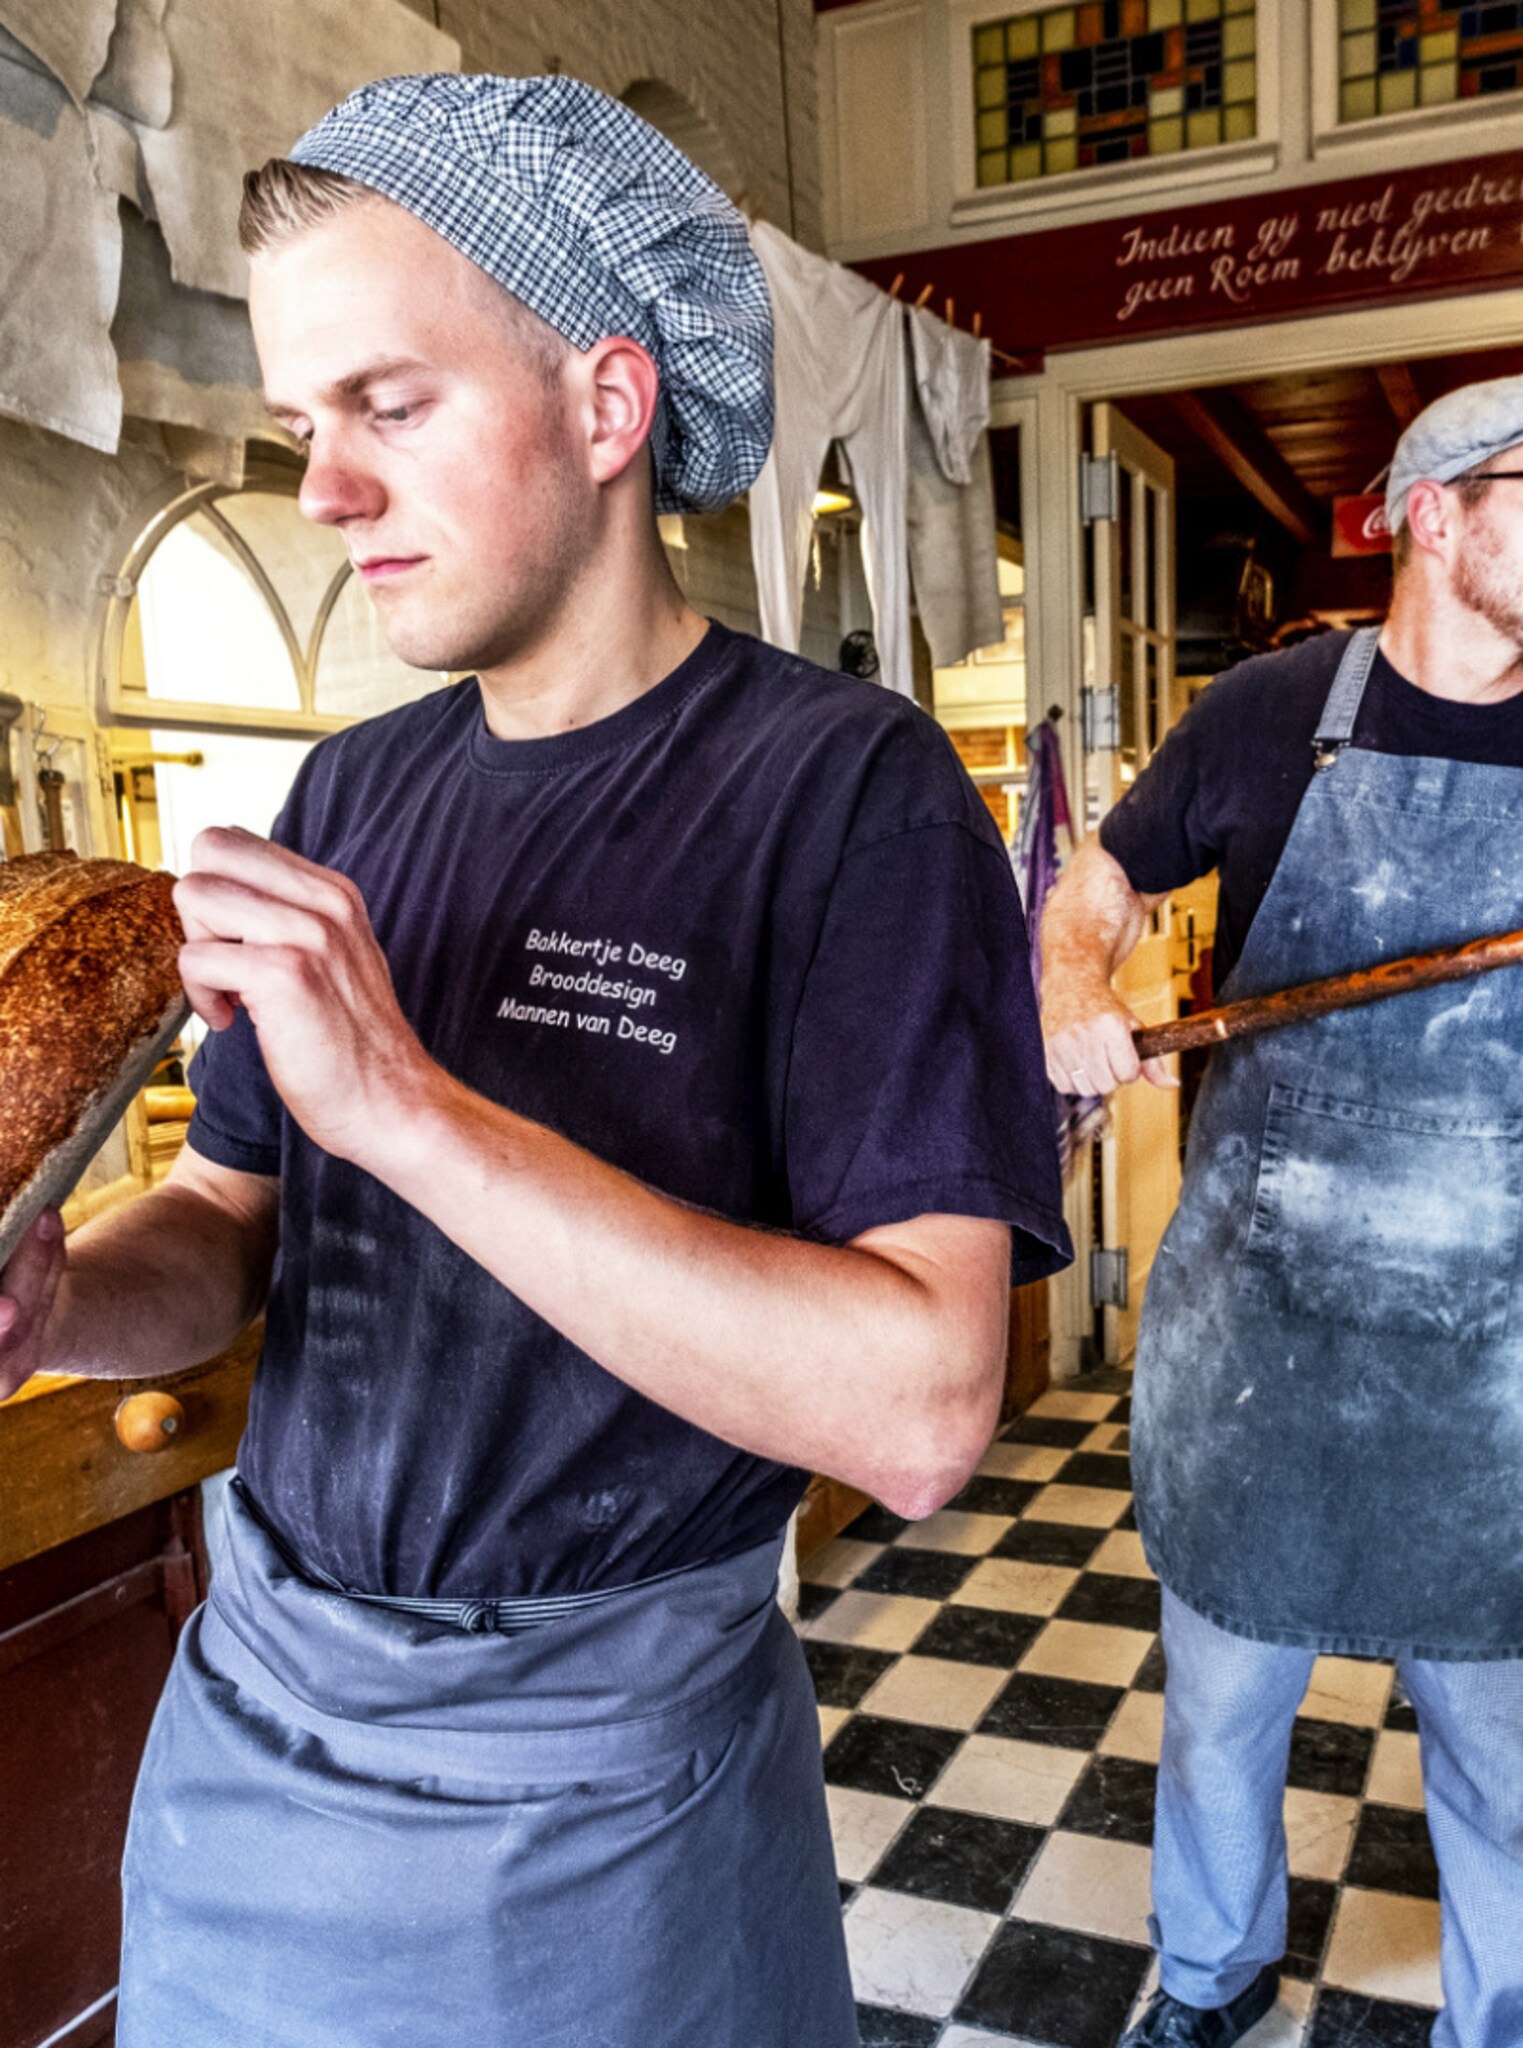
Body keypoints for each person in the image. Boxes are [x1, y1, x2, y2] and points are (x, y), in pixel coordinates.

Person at [0, 74, 1068, 2048]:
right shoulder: (347, 791)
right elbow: (228, 1231)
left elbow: (923, 1405)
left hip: (594, 1794)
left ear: (604, 402)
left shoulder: (842, 795)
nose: (318, 486)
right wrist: (65, 1295)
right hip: (253, 1726)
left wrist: (403, 1106)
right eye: (308, 418)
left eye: (387, 405)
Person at [1039, 372, 1523, 2048]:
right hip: (1265, 1350)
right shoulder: (1263, 717)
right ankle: (1210, 1976)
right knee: (1221, 1725)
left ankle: (1520, 2025)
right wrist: (1067, 987)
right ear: (1434, 514)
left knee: (1518, 1766)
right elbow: (1099, 877)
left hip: (1494, 1383)